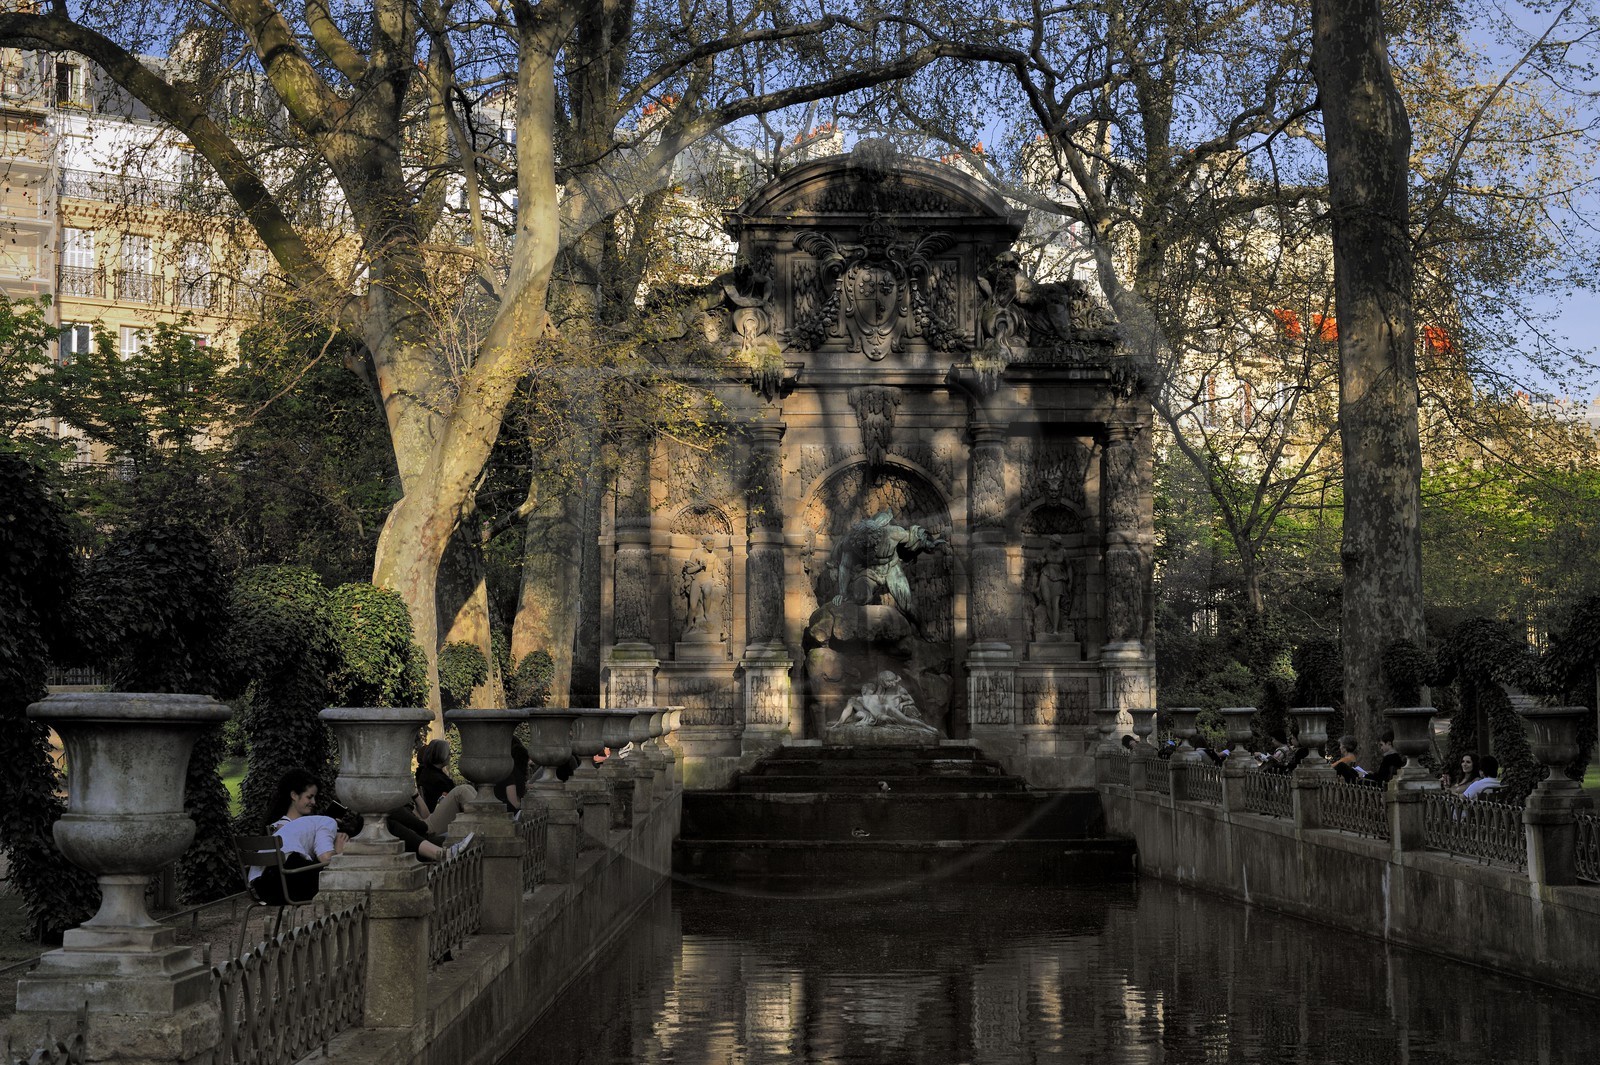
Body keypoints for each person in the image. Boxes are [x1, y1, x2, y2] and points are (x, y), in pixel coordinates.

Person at [249, 769, 347, 904]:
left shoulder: (298, 827)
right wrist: (339, 852)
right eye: (309, 797)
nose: (314, 802)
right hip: (284, 884)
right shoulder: (281, 827)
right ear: (294, 795)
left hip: (263, 886)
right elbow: (325, 858)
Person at [415, 738, 478, 835]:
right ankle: (486, 820)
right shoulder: (434, 778)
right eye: (448, 753)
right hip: (435, 820)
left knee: (467, 788)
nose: (450, 756)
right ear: (441, 755)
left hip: (435, 818)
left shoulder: (430, 773)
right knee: (462, 791)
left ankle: (486, 817)